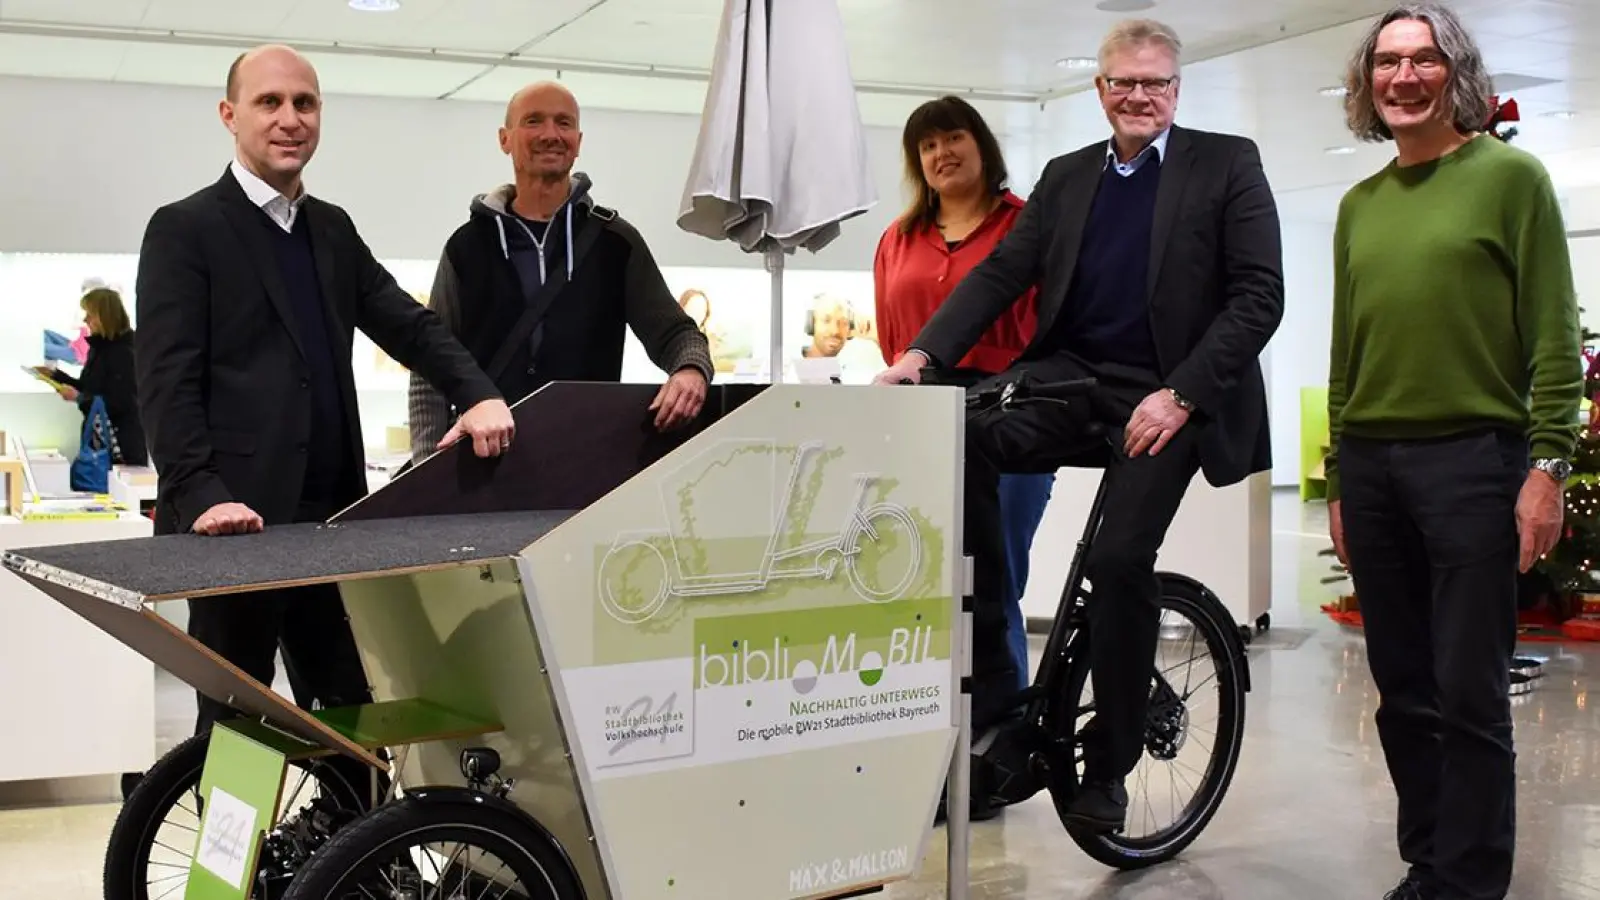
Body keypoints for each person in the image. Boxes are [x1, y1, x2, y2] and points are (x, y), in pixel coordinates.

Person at [875, 18, 1283, 827]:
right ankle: (1003, 685)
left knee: (1120, 556)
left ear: (1176, 89)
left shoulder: (1227, 163)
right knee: (957, 433)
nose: (1139, 96)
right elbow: (1000, 276)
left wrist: (1183, 394)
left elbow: (1258, 297)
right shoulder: (1066, 178)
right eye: (1123, 82)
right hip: (1074, 382)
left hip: (1173, 398)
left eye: (1155, 82)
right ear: (1099, 91)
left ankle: (1110, 765)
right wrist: (923, 356)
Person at [134, 44, 516, 735]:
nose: (289, 119)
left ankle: (348, 846)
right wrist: (202, 494)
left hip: (332, 527)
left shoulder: (331, 230)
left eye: (304, 104)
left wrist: (479, 393)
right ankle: (234, 852)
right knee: (236, 731)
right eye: (269, 102)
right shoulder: (185, 229)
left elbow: (410, 324)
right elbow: (166, 382)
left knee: (350, 715)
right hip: (235, 531)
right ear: (230, 115)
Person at [1326, 6, 1581, 899]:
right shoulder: (1358, 206)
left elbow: (1553, 335)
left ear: (1454, 74)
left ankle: (1469, 882)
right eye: (1387, 62)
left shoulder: (1511, 179)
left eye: (1422, 60)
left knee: (1470, 696)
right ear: (1369, 83)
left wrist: (1549, 466)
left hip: (1475, 462)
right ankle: (1428, 863)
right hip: (1374, 467)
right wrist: (1339, 477)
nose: (1403, 77)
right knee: (1403, 691)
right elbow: (1345, 349)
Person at [408, 81, 711, 462]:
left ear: (578, 141)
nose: (551, 134)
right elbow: (431, 362)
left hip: (585, 465)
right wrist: (425, 466)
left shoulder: (615, 241)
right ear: (505, 138)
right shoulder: (466, 246)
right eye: (533, 121)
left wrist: (690, 370)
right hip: (485, 466)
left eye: (563, 123)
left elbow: (675, 333)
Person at [872, 95, 1053, 713]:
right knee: (923, 585)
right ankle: (934, 734)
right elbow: (893, 338)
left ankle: (1005, 734)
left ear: (981, 146)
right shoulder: (897, 239)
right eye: (927, 146)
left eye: (952, 138)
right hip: (923, 424)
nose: (941, 154)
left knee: (997, 581)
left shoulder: (1025, 226)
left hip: (1012, 416)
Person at [44, 287, 148, 468]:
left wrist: (78, 398)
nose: (85, 320)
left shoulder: (124, 353)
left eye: (90, 314)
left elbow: (120, 402)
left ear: (104, 316)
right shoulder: (99, 348)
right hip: (98, 441)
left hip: (121, 445)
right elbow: (88, 386)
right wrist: (55, 376)